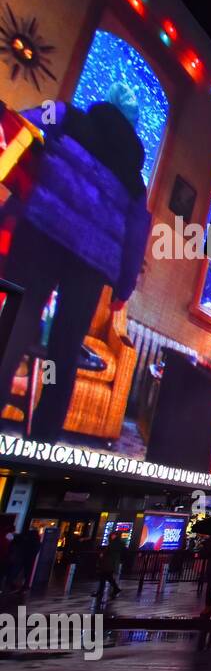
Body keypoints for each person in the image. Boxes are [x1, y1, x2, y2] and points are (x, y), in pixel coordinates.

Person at [0, 92, 152, 440]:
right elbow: (136, 235)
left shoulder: (67, 115)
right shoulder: (134, 180)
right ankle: (42, 437)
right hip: (89, 262)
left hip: (39, 232)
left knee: (16, 328)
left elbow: (28, 120)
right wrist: (123, 288)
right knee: (63, 351)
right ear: (133, 126)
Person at [96, 531, 127, 601]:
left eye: (113, 535)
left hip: (109, 562)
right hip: (110, 562)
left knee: (105, 576)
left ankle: (112, 589)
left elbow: (111, 551)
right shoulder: (117, 543)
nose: (112, 536)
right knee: (106, 577)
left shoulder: (115, 544)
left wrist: (104, 554)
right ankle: (114, 589)